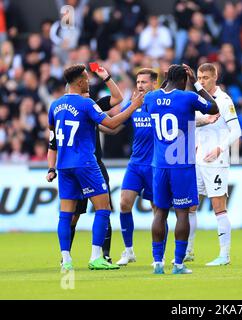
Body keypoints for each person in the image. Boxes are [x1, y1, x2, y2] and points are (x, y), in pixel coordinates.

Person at [46, 64, 145, 271]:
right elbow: (110, 124)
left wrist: (51, 167)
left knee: (66, 215)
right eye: (86, 78)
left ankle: (66, 260)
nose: (89, 81)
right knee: (103, 207)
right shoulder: (86, 104)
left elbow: (52, 138)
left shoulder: (55, 106)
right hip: (85, 163)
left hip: (64, 166)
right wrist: (133, 107)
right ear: (80, 81)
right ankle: (96, 257)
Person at [145, 64, 218, 275]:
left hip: (159, 165)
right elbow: (213, 108)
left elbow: (155, 107)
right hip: (182, 165)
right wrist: (196, 82)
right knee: (182, 213)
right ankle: (178, 264)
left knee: (159, 213)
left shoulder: (151, 98)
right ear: (185, 79)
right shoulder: (188, 97)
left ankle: (157, 263)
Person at [99, 68, 160, 266]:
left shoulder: (160, 104)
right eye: (138, 81)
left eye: (144, 82)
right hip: (135, 164)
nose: (140, 85)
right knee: (124, 203)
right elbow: (114, 127)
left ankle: (157, 255)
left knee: (157, 209)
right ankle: (129, 251)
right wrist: (90, 124)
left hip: (155, 165)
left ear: (154, 84)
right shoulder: (133, 106)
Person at [185, 63, 241, 266]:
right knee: (190, 206)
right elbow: (192, 123)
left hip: (216, 161)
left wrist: (219, 149)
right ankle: (188, 251)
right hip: (198, 160)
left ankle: (224, 255)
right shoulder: (198, 99)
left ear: (215, 78)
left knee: (219, 207)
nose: (201, 81)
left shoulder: (224, 100)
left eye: (206, 78)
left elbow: (236, 131)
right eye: (199, 77)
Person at [68, 66, 123, 264]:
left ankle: (104, 254)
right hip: (78, 165)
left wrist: (107, 77)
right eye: (85, 84)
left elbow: (117, 98)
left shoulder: (93, 105)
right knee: (73, 215)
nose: (88, 86)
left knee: (104, 208)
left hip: (95, 164)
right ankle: (66, 255)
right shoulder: (68, 109)